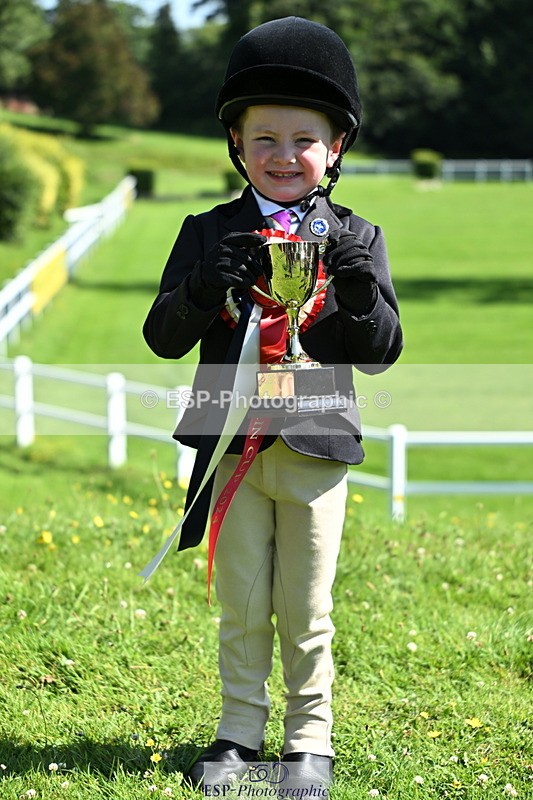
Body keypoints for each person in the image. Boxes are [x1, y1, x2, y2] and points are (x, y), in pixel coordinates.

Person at [142, 16, 403, 790]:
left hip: (315, 444)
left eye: (302, 139)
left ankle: (309, 739)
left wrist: (356, 294)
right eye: (264, 139)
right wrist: (198, 288)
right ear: (236, 145)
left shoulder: (357, 234)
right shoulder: (207, 231)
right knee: (243, 603)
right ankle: (236, 734)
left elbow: (382, 349)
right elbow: (162, 336)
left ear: (335, 149)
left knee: (307, 606)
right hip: (229, 449)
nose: (283, 156)